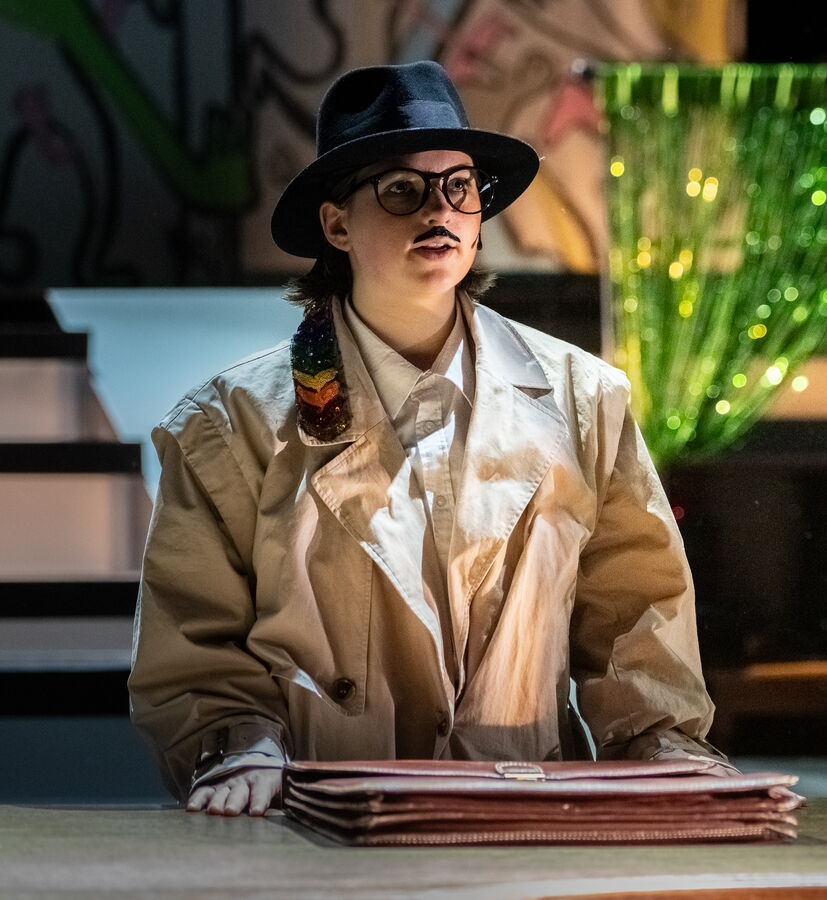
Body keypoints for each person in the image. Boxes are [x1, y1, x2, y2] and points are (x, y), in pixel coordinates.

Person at [128, 59, 729, 817]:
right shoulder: (230, 425)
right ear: (337, 224)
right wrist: (237, 745)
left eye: (459, 186)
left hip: (526, 820)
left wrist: (664, 746)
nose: (438, 209)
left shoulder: (585, 400)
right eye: (401, 189)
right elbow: (195, 645)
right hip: (323, 822)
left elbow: (636, 616)